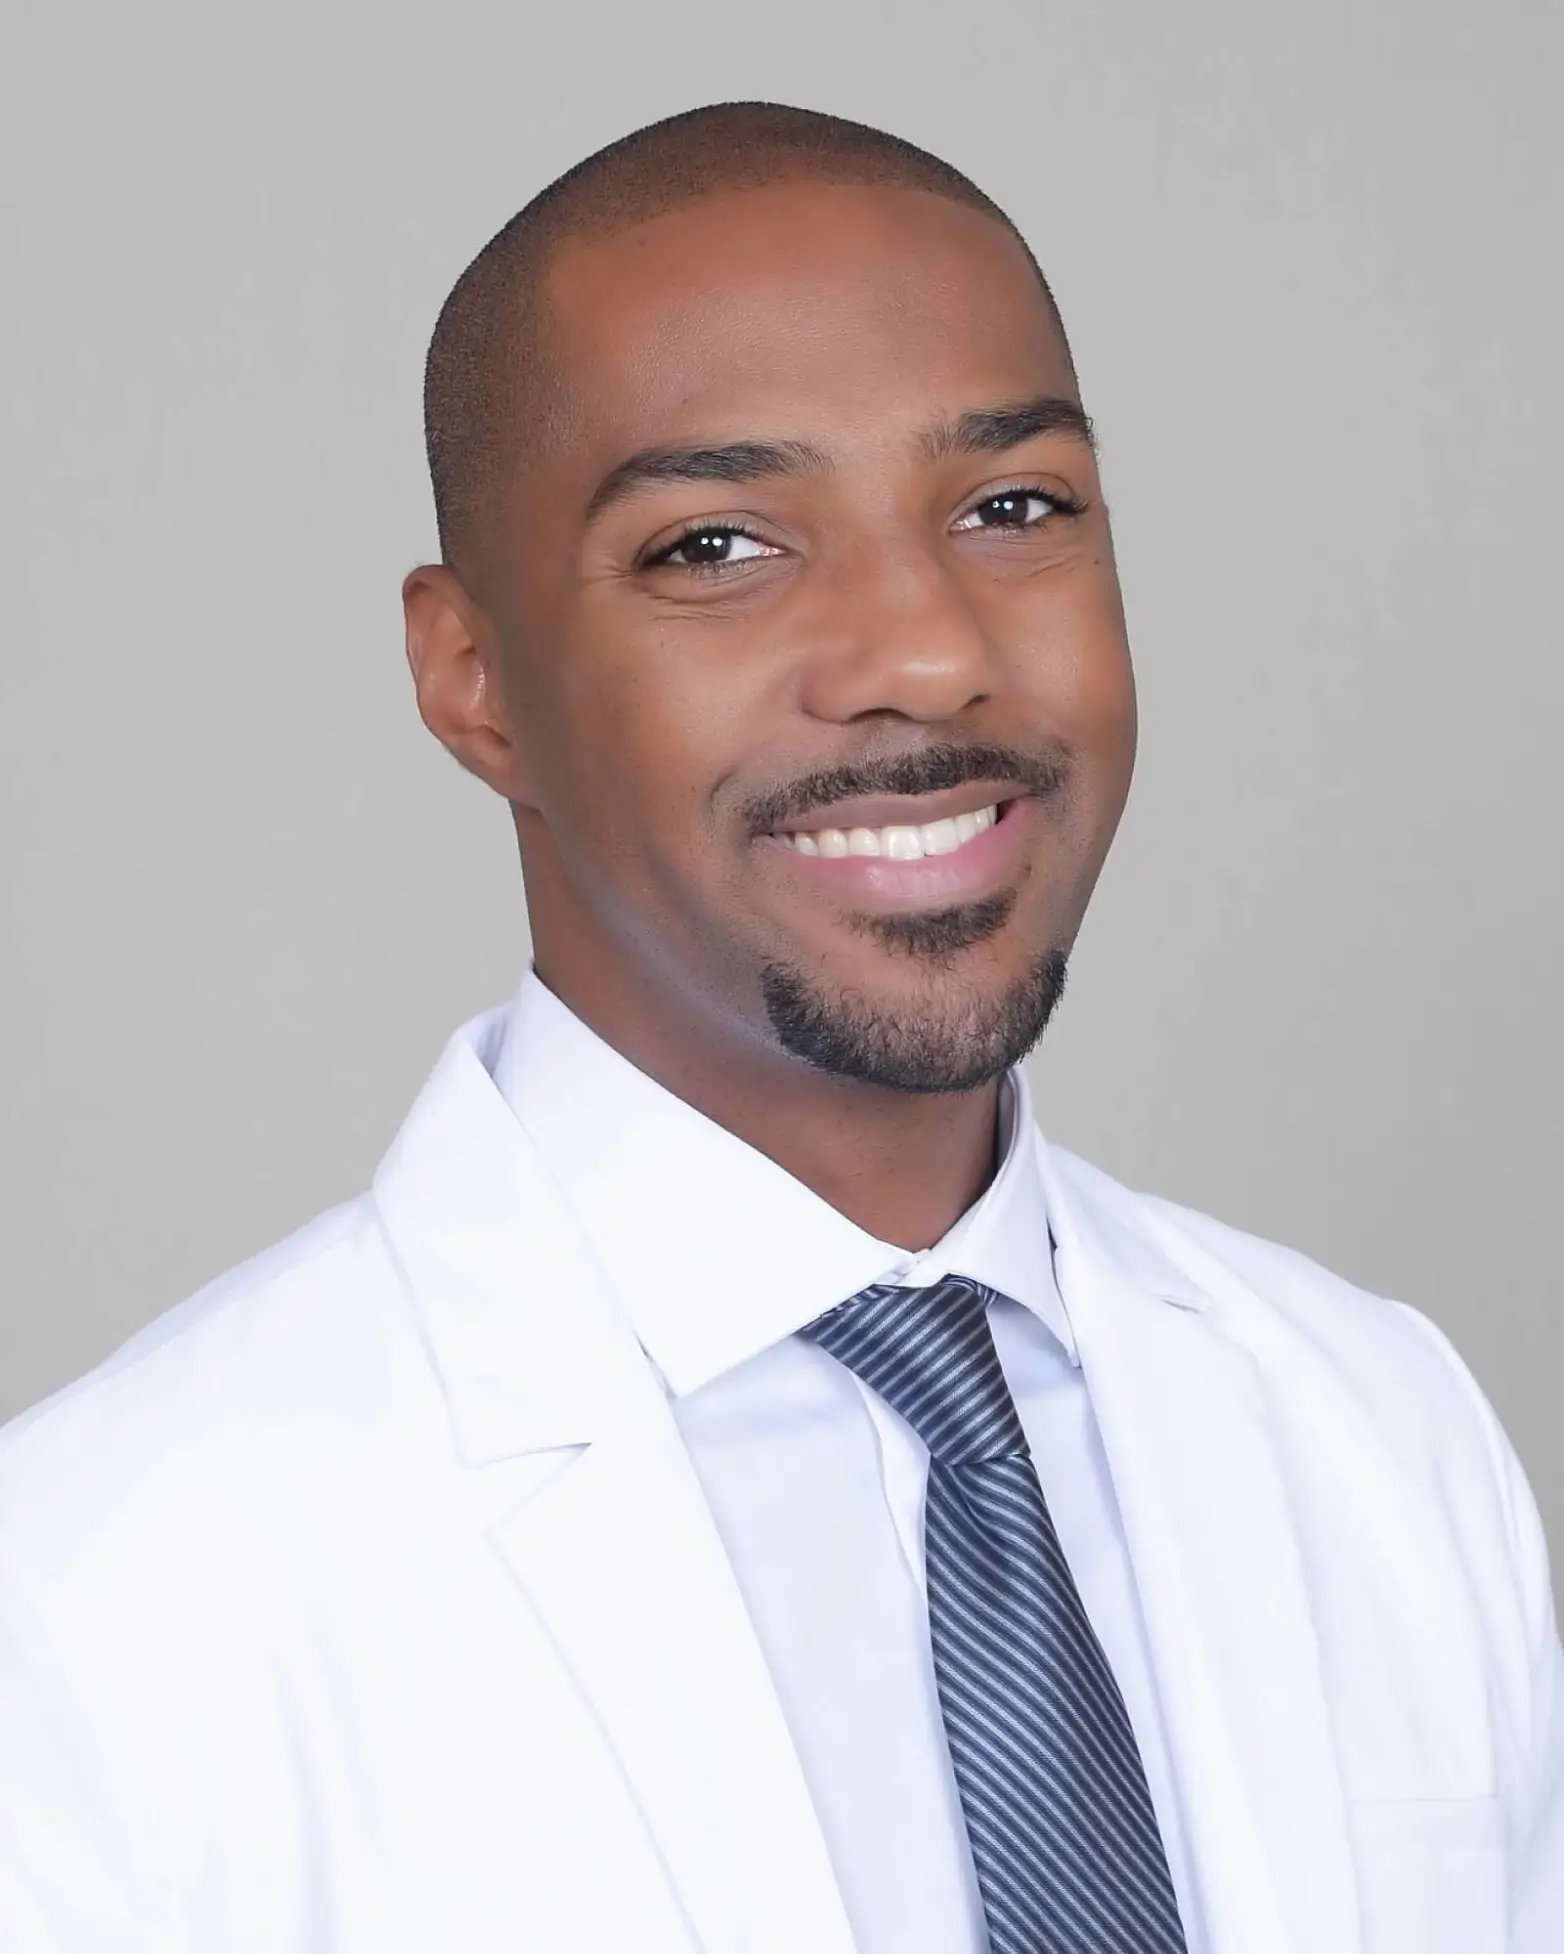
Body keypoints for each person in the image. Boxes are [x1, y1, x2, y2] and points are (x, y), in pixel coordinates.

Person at [0, 100, 1557, 1954]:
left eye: (1012, 507)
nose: (920, 651)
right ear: (473, 677)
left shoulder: (1386, 1427)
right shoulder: (98, 1598)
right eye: (719, 544)